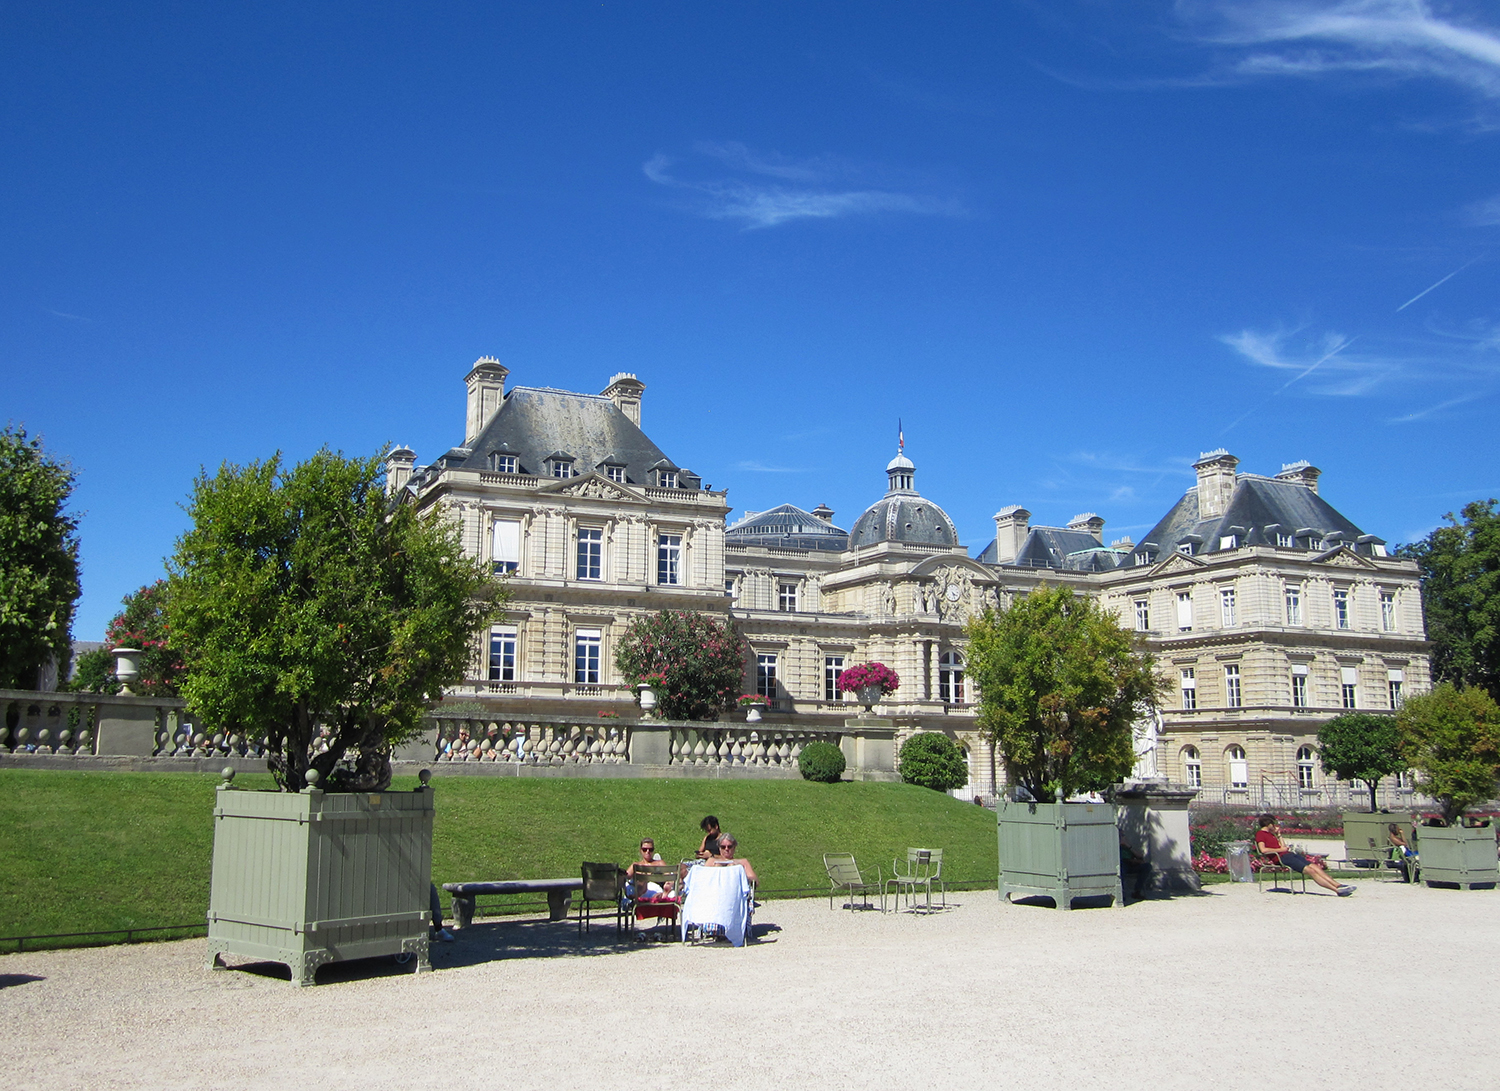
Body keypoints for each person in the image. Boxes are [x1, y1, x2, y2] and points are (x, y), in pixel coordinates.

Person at [1254, 814, 1353, 896]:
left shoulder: (1271, 834)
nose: (1275, 826)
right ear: (1269, 824)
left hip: (1288, 854)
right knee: (1310, 871)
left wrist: (1279, 835)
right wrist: (1280, 849)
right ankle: (1337, 891)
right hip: (1281, 858)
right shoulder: (1260, 834)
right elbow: (1263, 850)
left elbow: (1284, 847)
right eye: (1273, 824)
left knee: (1314, 866)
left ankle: (1338, 885)